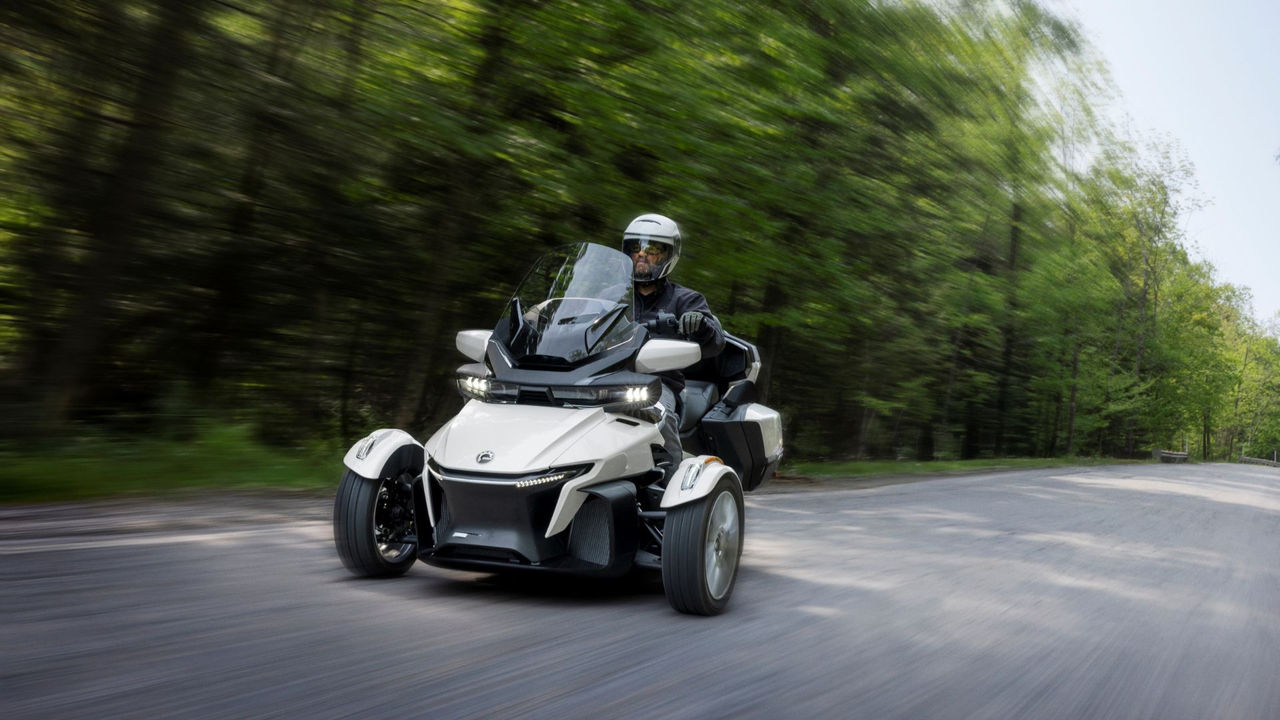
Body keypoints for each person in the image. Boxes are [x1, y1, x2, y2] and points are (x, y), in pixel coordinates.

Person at [622, 213, 725, 474]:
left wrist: (700, 325)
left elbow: (715, 344)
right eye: (636, 248)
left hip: (659, 384)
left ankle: (673, 487)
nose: (642, 255)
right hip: (605, 379)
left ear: (667, 255)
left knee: (653, 410)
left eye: (652, 249)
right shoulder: (614, 296)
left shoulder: (686, 299)